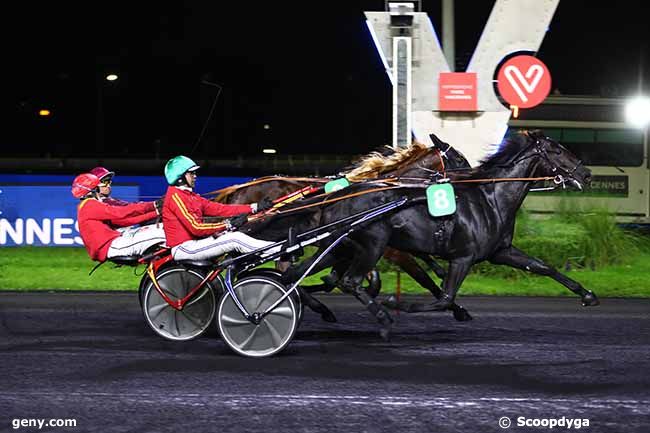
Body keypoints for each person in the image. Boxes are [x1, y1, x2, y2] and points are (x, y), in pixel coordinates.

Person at [161, 155, 276, 262]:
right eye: (191, 173)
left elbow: (221, 209)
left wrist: (254, 207)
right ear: (180, 177)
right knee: (234, 239)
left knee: (232, 234)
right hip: (185, 248)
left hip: (195, 243)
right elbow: (196, 227)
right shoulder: (175, 197)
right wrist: (228, 224)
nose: (195, 176)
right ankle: (277, 251)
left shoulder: (190, 196)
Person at [72, 173, 166, 262]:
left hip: (115, 243)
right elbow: (122, 213)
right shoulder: (90, 205)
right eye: (97, 188)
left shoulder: (86, 206)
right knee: (164, 233)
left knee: (162, 229)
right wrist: (153, 205)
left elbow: (126, 220)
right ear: (93, 190)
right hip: (113, 247)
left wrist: (156, 212)